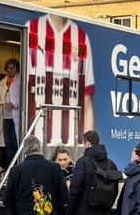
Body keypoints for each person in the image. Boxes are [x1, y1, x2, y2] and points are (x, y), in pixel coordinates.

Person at [24, 13, 94, 145]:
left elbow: (87, 102)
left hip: (71, 139)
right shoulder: (31, 27)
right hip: (36, 135)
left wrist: (87, 145)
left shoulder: (81, 36)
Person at [2, 135, 68, 215]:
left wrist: (20, 212)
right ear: (40, 147)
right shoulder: (54, 167)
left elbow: (7, 199)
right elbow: (64, 196)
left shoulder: (15, 170)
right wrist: (54, 210)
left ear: (25, 150)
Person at [0, 58, 21, 163]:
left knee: (15, 140)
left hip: (15, 115)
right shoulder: (3, 81)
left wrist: (14, 103)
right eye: (9, 68)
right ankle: (10, 164)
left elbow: (23, 95)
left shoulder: (20, 80)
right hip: (5, 116)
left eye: (13, 68)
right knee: (8, 141)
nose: (11, 70)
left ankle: (17, 162)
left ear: (17, 68)